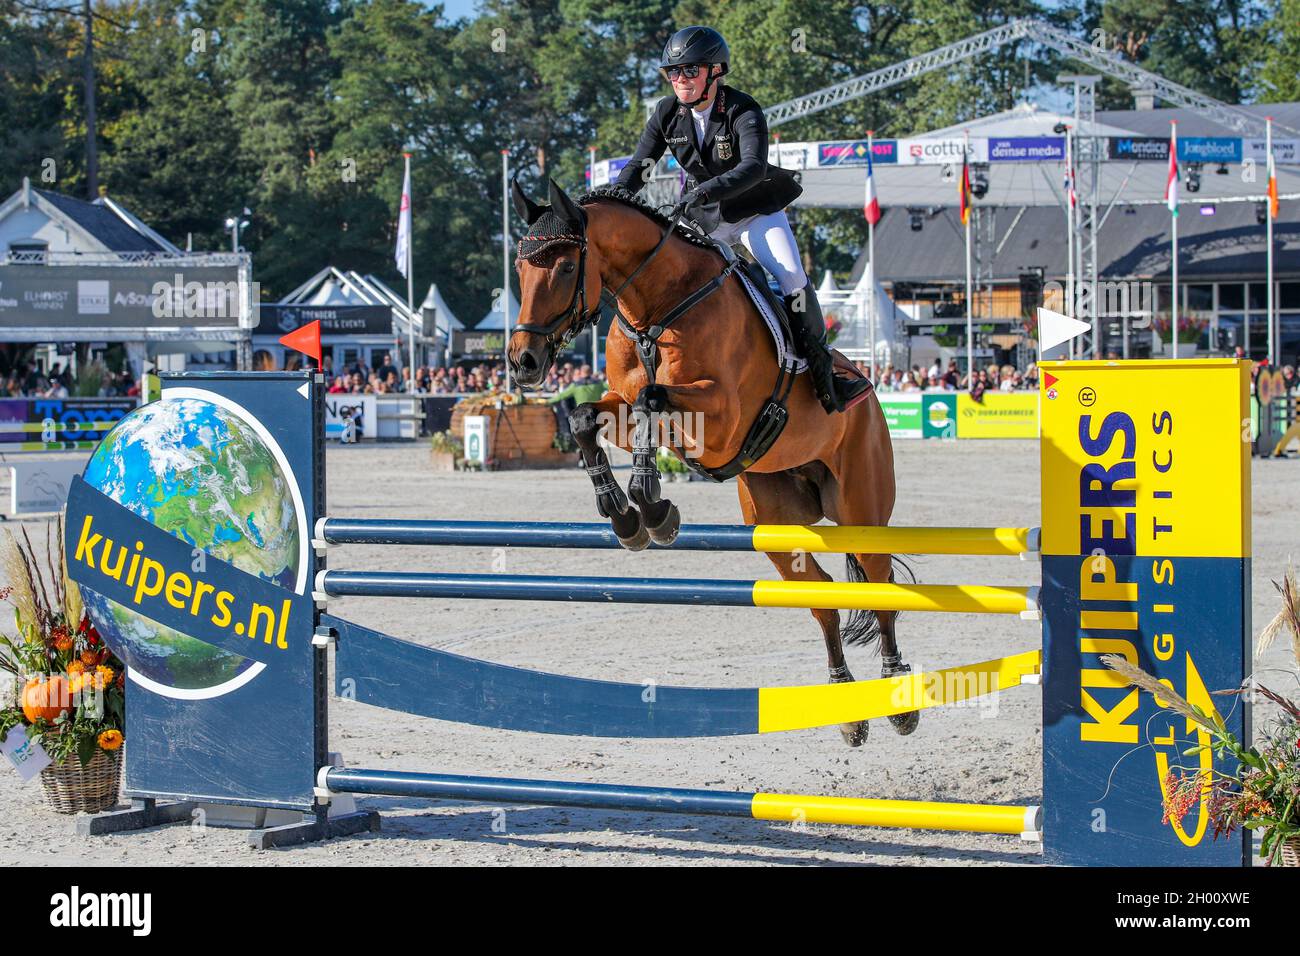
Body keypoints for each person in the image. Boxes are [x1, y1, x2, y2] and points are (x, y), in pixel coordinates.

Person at [614, 25, 870, 415]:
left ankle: (826, 374)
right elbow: (641, 165)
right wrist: (615, 198)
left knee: (791, 278)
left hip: (755, 213)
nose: (680, 79)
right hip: (705, 218)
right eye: (673, 72)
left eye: (689, 71)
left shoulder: (742, 109)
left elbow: (752, 168)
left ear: (715, 71)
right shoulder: (667, 113)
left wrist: (704, 190)